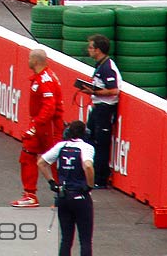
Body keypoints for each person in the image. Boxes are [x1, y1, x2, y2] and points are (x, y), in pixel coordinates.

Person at [13, 48, 64, 207]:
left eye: (29, 58)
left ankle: (62, 196)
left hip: (48, 127)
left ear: (35, 61)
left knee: (54, 159)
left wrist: (35, 126)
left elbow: (49, 107)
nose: (27, 61)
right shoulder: (40, 77)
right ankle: (30, 195)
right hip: (40, 125)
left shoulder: (46, 80)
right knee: (27, 155)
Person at [38, 121, 96, 256]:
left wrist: (52, 183)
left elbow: (41, 163)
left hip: (63, 196)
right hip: (80, 197)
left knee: (66, 239)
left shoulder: (61, 146)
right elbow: (88, 166)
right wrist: (89, 186)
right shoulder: (86, 147)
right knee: (85, 240)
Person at [81, 34, 119, 187]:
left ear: (98, 50)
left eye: (90, 47)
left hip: (105, 110)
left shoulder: (107, 67)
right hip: (97, 108)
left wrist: (94, 92)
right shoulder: (100, 65)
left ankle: (101, 179)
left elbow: (114, 90)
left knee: (101, 144)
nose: (88, 50)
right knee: (89, 140)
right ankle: (91, 174)